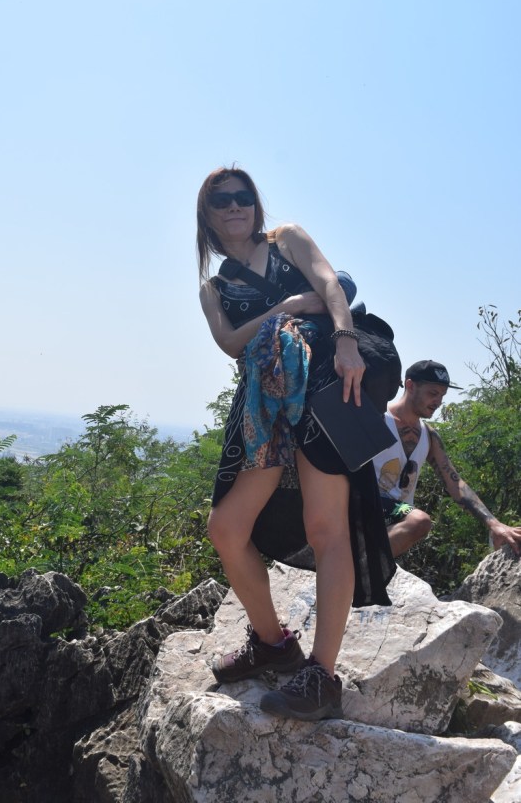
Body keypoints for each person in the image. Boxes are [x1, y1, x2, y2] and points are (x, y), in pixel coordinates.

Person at [197, 165, 397, 722]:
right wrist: (286, 308)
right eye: (221, 200)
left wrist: (346, 339)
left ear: (254, 203)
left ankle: (322, 676)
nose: (234, 206)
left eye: (242, 196)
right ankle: (273, 643)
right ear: (207, 215)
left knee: (326, 528)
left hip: (327, 382)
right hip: (265, 404)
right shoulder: (214, 288)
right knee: (226, 528)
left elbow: (331, 285)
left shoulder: (287, 238)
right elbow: (231, 342)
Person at [373, 360, 521, 557]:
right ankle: (359, 565)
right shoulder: (379, 418)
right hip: (367, 505)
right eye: (433, 393)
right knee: (419, 521)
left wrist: (494, 524)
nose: (438, 401)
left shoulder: (429, 436)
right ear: (410, 385)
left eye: (442, 396)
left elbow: (455, 483)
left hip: (396, 522)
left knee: (416, 523)